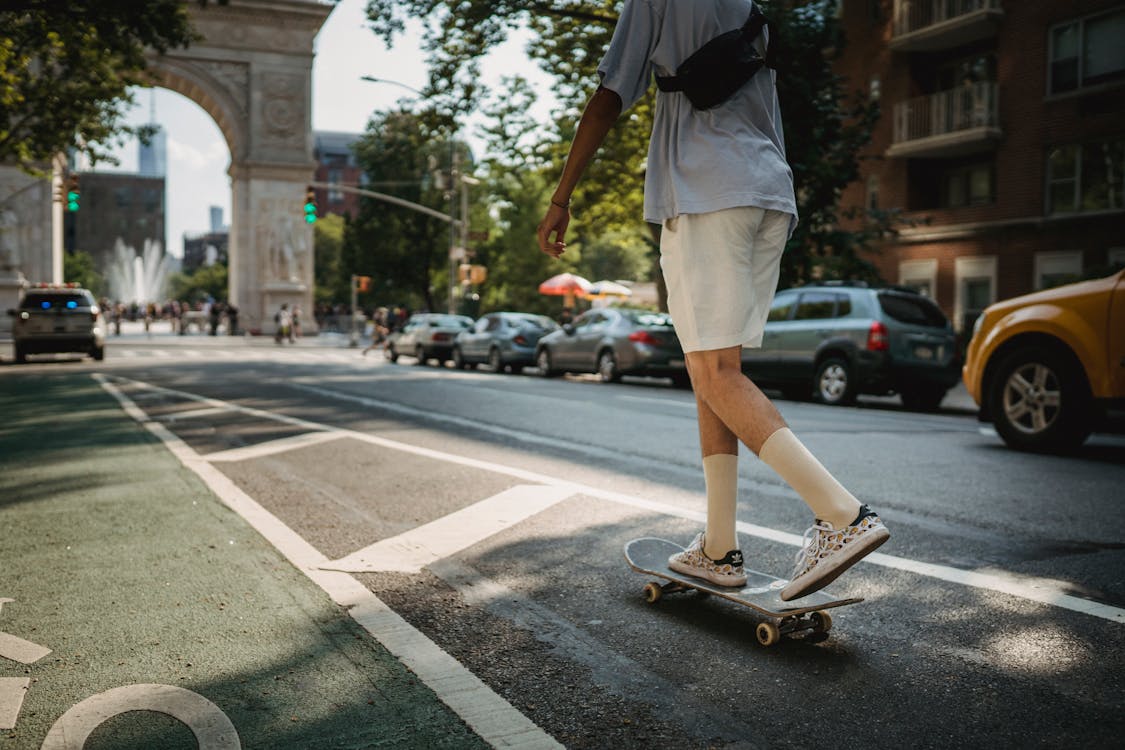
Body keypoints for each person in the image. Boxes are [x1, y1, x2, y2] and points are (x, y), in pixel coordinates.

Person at [536, 0, 888, 601]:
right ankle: (720, 549)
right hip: (766, 191)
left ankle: (842, 517)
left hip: (706, 191)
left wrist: (562, 196)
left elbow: (609, 95)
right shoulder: (750, 7)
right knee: (714, 371)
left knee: (716, 372)